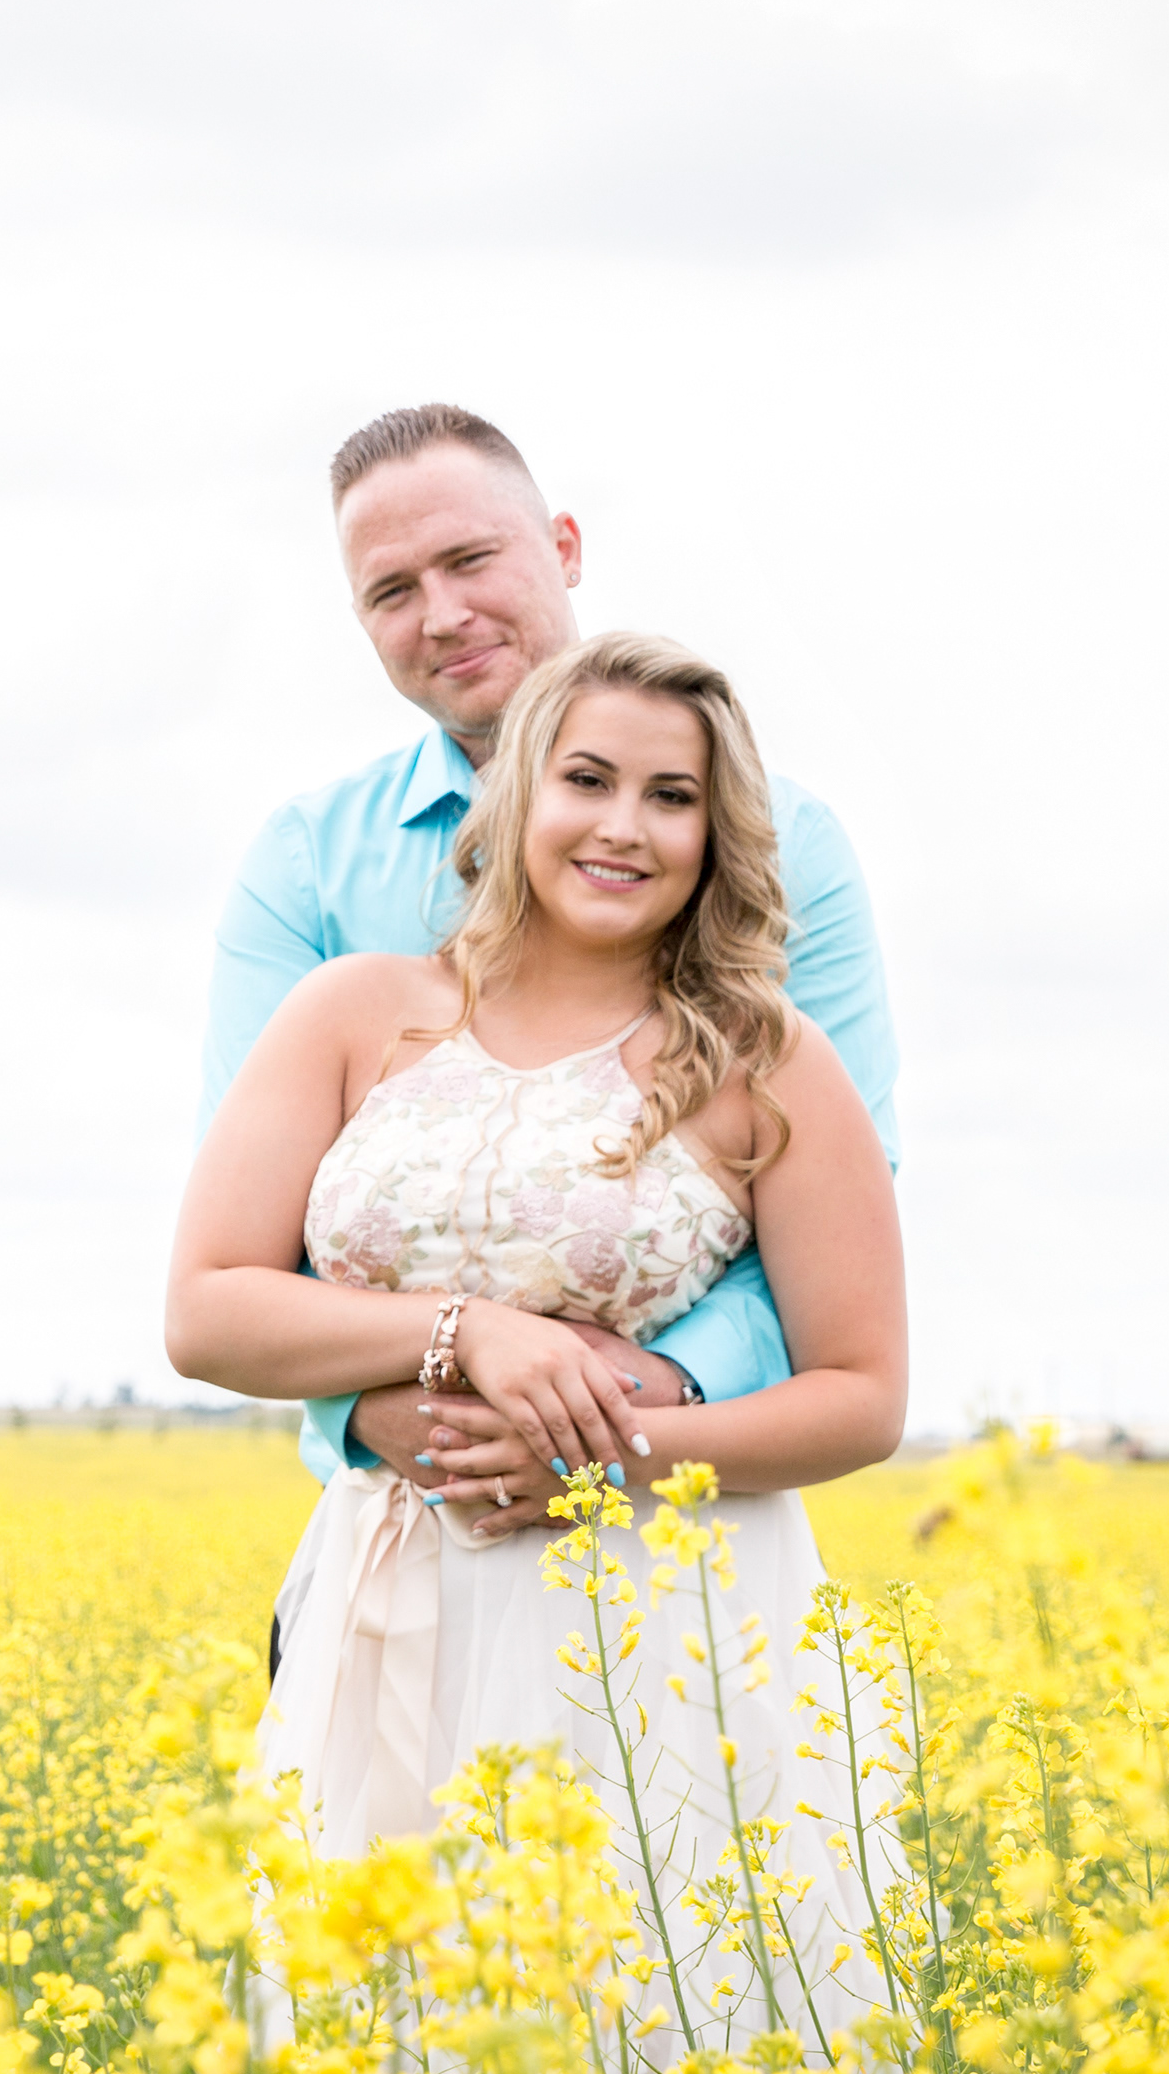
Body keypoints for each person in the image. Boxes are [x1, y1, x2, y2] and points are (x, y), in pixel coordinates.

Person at [168, 628, 914, 2074]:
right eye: (587, 779)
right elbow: (207, 1309)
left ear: (717, 834)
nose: (624, 826)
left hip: (659, 1615)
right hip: (388, 1594)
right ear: (514, 791)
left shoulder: (764, 1059)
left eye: (672, 796)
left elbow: (862, 1395)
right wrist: (468, 1332)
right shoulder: (355, 1015)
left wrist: (601, 1451)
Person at [202, 407, 900, 1567]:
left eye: (470, 558)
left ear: (564, 547)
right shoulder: (305, 869)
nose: (443, 614)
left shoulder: (794, 854)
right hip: (393, 1521)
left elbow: (839, 1225)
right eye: (392, 590)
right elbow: (248, 1254)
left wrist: (617, 1413)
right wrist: (398, 1396)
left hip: (671, 1533)